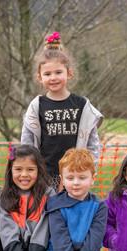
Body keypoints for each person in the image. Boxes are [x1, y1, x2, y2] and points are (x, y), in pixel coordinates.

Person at [21, 32, 103, 192]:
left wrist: (91, 166)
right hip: (45, 173)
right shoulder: (37, 105)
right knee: (47, 212)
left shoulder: (82, 104)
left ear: (69, 73)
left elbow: (92, 142)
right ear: (40, 77)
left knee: (72, 211)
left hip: (75, 174)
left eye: (58, 72)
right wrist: (28, 167)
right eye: (47, 74)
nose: (53, 78)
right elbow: (27, 142)